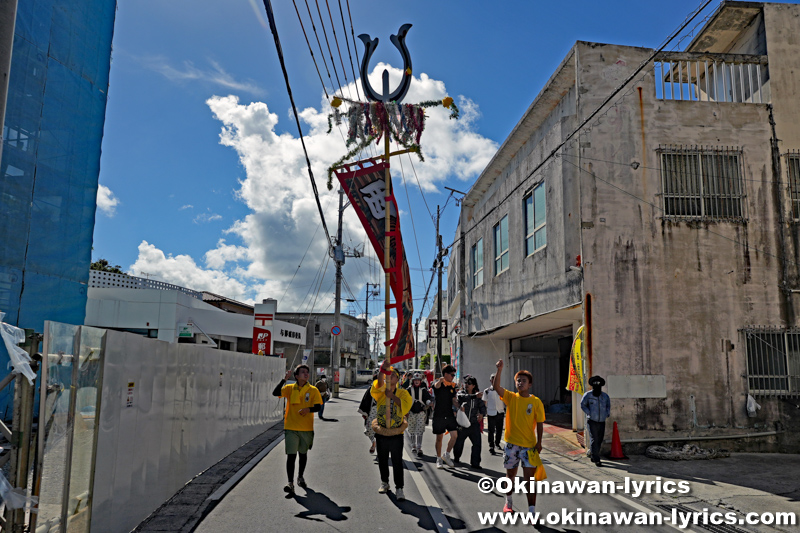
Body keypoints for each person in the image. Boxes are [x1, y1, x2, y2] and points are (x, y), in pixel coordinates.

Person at [493, 359, 545, 515]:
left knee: (529, 480)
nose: (520, 382)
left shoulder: (536, 402)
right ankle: (508, 502)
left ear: (530, 384)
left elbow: (541, 423)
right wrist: (499, 370)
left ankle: (532, 511)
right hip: (511, 445)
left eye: (524, 381)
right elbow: (496, 387)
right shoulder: (510, 397)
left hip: (529, 446)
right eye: (518, 380)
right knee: (510, 477)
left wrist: (539, 442)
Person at [272, 364, 323, 496]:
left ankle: (300, 476)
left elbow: (318, 407)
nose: (306, 374)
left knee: (303, 454)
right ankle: (290, 483)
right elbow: (275, 393)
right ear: (296, 376)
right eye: (303, 372)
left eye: (307, 372)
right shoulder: (289, 388)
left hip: (306, 428)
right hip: (290, 427)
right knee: (291, 456)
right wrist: (284, 379)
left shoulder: (313, 390)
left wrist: (308, 409)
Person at [371, 358, 413, 500]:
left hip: (396, 433)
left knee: (397, 461)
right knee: (382, 459)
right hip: (382, 432)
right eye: (388, 375)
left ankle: (399, 488)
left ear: (398, 378)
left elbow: (406, 407)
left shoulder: (403, 393)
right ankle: (384, 482)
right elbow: (379, 384)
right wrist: (383, 369)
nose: (390, 377)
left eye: (393, 375)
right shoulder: (381, 391)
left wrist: (393, 397)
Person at [453, 375, 486, 468]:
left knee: (477, 443)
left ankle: (475, 463)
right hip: (462, 423)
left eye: (469, 383)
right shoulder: (461, 393)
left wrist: (482, 414)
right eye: (466, 383)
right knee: (459, 443)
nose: (467, 385)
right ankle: (456, 458)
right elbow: (463, 397)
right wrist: (474, 396)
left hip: (473, 423)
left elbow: (482, 407)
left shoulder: (478, 396)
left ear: (474, 385)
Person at [432, 365, 460, 469]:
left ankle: (446, 455)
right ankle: (438, 458)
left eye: (454, 375)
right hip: (439, 414)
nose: (453, 377)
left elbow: (453, 399)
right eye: (452, 375)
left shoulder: (452, 386)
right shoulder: (439, 384)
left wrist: (458, 405)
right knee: (439, 437)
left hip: (449, 414)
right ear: (446, 374)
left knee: (454, 435)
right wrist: (440, 380)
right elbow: (436, 386)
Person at [581, 375, 611, 467]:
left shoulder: (605, 396)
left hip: (602, 421)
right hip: (592, 421)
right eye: (595, 385)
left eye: (599, 385)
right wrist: (588, 413)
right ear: (592, 386)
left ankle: (594, 455)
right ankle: (597, 459)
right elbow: (583, 405)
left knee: (600, 439)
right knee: (595, 438)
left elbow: (608, 406)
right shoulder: (588, 395)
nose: (597, 387)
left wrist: (607, 413)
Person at [405, 372, 432, 456]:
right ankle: (413, 445)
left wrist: (429, 402)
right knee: (412, 429)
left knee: (420, 430)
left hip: (421, 412)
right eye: (415, 380)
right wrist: (405, 412)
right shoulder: (408, 389)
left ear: (420, 381)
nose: (417, 381)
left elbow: (427, 398)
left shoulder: (423, 390)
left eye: (418, 380)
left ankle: (419, 447)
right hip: (411, 412)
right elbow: (405, 401)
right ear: (413, 381)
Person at [358, 370, 379, 454]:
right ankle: (374, 441)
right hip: (372, 411)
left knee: (380, 431)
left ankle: (377, 447)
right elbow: (365, 401)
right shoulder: (370, 389)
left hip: (383, 412)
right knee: (370, 429)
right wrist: (365, 413)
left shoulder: (386, 390)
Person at [484, 372, 505, 454]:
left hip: (500, 412)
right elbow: (484, 402)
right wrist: (484, 412)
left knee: (499, 430)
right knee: (491, 430)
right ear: (490, 380)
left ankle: (497, 443)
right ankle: (491, 445)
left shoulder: (502, 390)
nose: (494, 380)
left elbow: (505, 401)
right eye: (493, 378)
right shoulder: (487, 391)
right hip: (491, 413)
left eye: (495, 378)